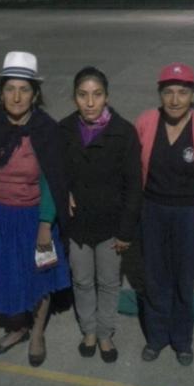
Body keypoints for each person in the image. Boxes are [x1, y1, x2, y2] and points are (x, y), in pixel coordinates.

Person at [0, 51, 70, 367]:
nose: (17, 96)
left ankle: (36, 333)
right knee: (7, 275)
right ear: (0, 93)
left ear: (35, 94)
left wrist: (46, 224)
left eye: (24, 89)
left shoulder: (46, 130)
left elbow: (52, 181)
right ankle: (17, 328)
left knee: (40, 276)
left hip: (35, 217)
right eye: (10, 89)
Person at [135, 63, 194, 366]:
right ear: (160, 94)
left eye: (182, 92)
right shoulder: (146, 122)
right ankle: (156, 337)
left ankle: (182, 340)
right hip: (152, 209)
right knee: (155, 276)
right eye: (168, 92)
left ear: (193, 95)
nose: (175, 100)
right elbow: (133, 166)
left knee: (183, 277)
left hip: (190, 213)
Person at [59, 66, 142, 363]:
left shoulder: (124, 132)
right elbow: (55, 172)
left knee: (108, 282)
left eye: (97, 95)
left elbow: (134, 185)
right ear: (74, 98)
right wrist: (63, 191)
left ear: (107, 96)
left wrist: (126, 230)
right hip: (78, 227)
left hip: (111, 228)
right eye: (83, 95)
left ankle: (105, 332)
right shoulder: (64, 130)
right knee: (82, 281)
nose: (90, 102)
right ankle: (89, 330)